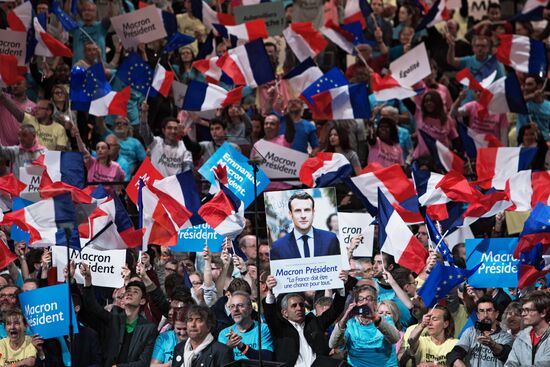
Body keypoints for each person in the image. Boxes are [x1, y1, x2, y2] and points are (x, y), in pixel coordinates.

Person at [263, 273, 350, 366]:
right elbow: (270, 315)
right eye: (294, 306)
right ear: (285, 313)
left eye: (301, 305)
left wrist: (341, 287)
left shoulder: (314, 322)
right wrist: (270, 291)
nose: (299, 308)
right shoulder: (280, 328)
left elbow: (335, 310)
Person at [80, 263, 158, 366]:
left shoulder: (149, 329)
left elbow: (144, 362)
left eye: (135, 292)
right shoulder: (113, 319)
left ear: (142, 301)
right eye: (128, 291)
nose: (129, 293)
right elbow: (93, 307)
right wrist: (88, 280)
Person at [329, 284, 401, 366]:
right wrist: (344, 318)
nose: (365, 302)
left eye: (369, 299)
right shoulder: (350, 324)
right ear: (355, 303)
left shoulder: (385, 320)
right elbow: (333, 344)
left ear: (376, 302)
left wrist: (375, 318)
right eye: (360, 299)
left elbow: (395, 338)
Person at [270, 191, 341, 260]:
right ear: (290, 214)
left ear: (313, 212)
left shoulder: (330, 239)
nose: (303, 215)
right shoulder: (278, 247)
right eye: (297, 211)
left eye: (307, 210)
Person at [446, 295, 513, 367]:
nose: (485, 315)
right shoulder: (470, 332)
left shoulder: (506, 336)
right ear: (477, 315)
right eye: (481, 311)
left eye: (489, 310)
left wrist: (492, 344)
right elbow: (453, 355)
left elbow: (507, 354)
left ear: (496, 314)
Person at [0, 92, 69, 151]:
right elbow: (16, 111)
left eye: (39, 108)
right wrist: (2, 96)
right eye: (36, 108)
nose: (35, 110)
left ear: (49, 111)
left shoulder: (59, 128)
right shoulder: (30, 120)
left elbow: (60, 152)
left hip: (47, 163)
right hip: (28, 161)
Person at [139, 103, 194, 176]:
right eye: (169, 128)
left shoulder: (184, 146)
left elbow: (188, 167)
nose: (173, 131)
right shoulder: (155, 142)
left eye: (175, 128)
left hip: (174, 186)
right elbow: (144, 132)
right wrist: (144, 113)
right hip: (157, 185)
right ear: (163, 130)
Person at [218, 291, 273, 360]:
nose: (235, 309)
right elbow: (219, 361)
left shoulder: (262, 329)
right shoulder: (224, 333)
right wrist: (227, 347)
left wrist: (242, 346)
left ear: (250, 308)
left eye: (240, 305)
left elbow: (266, 358)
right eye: (232, 306)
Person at [504, 290, 550, 366]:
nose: (523, 314)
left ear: (543, 313)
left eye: (527, 310)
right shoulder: (521, 336)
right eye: (523, 310)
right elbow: (510, 364)